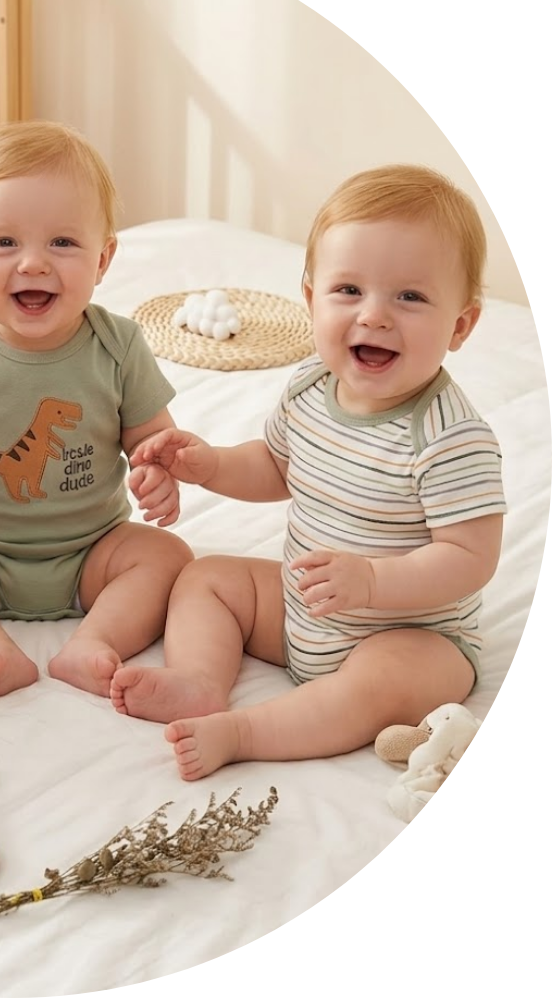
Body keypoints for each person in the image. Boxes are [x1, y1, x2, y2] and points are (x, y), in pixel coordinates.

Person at [115, 164, 506, 780]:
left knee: (386, 678)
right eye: (349, 290)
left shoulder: (452, 438)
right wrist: (210, 463)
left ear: (459, 325)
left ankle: (246, 730)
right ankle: (197, 680)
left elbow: (470, 557)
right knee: (208, 578)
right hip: (305, 611)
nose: (374, 315)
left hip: (409, 633)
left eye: (410, 297)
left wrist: (373, 584)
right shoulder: (309, 388)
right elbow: (274, 466)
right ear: (310, 300)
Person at [0, 121, 193, 700]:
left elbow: (153, 440)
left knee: (169, 557)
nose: (32, 264)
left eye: (62, 243)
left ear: (103, 260)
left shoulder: (118, 344)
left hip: (93, 550)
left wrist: (157, 472)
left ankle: (93, 643)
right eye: (4, 243)